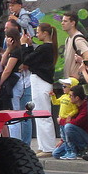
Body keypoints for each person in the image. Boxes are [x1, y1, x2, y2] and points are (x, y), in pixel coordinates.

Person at [22, 22, 57, 156]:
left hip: (41, 82)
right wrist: (30, 46)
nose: (37, 34)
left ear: (45, 33)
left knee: (43, 114)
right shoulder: (44, 48)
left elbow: (27, 60)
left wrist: (25, 45)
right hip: (38, 81)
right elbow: (32, 59)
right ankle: (43, 146)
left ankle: (48, 147)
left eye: (38, 32)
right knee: (38, 113)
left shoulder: (45, 48)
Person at [0, 25, 31, 144]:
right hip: (17, 82)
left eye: (6, 37)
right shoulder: (13, 50)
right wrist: (8, 50)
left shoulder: (17, 52)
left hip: (14, 83)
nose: (5, 40)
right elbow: (2, 62)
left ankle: (16, 141)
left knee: (14, 112)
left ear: (10, 38)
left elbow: (7, 69)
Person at [54, 84, 88, 159]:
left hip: (86, 137)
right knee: (56, 153)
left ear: (77, 98)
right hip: (72, 137)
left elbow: (76, 122)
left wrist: (61, 121)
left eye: (71, 96)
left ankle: (83, 148)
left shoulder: (85, 107)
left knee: (69, 126)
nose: (69, 97)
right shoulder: (74, 107)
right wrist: (62, 140)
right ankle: (73, 150)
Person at [59, 11, 88, 79]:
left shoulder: (78, 39)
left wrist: (79, 72)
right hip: (69, 81)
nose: (62, 23)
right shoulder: (68, 39)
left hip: (75, 81)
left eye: (65, 21)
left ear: (72, 23)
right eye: (62, 21)